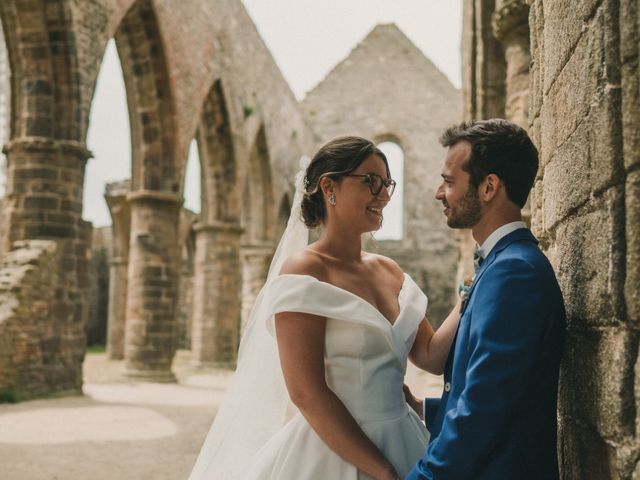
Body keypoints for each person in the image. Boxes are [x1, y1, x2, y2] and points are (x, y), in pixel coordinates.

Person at [189, 136, 461, 480]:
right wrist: (381, 470)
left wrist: (467, 297)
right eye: (370, 182)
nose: (385, 195)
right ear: (328, 187)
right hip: (335, 452)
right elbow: (306, 392)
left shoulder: (389, 270)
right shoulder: (304, 271)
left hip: (405, 437)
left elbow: (430, 356)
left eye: (387, 183)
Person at [405, 119, 566, 479]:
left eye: (449, 182)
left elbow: (483, 412)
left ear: (488, 187)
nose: (438, 192)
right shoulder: (500, 264)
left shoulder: (514, 273)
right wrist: (424, 407)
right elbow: (498, 390)